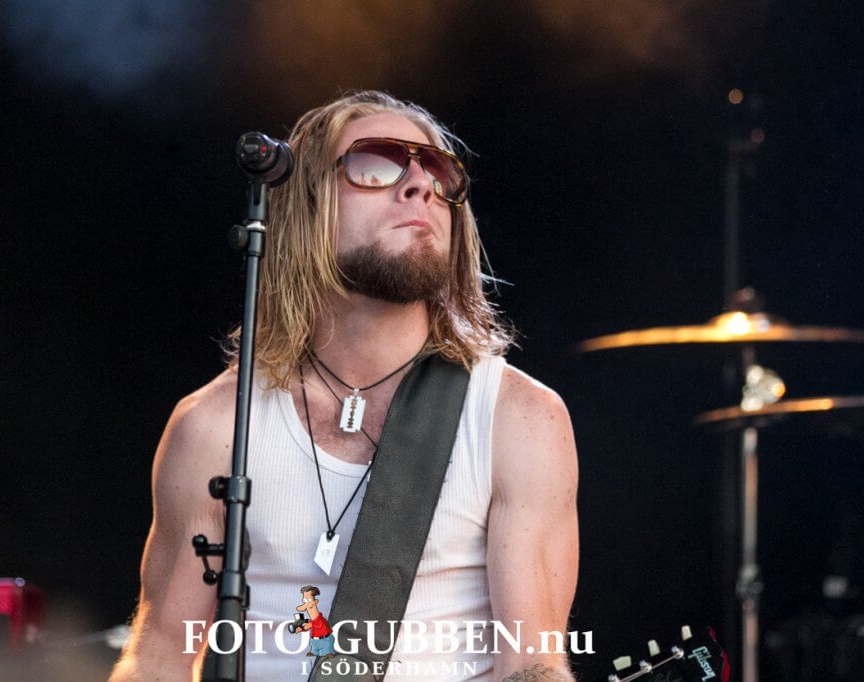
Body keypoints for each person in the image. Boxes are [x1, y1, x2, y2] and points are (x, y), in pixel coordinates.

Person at [109, 91, 578, 682]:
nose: (420, 186)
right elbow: (157, 659)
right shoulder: (215, 425)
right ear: (305, 207)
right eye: (376, 165)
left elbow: (531, 665)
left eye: (437, 173)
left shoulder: (519, 419)